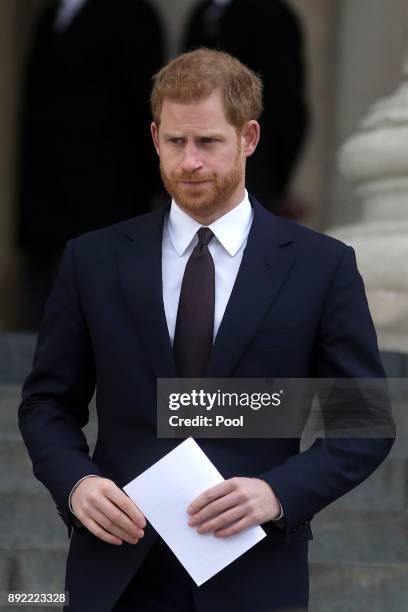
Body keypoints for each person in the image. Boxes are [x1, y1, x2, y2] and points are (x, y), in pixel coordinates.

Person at [19, 49, 393, 611]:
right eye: (175, 142)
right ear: (154, 137)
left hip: (254, 570)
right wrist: (77, 484)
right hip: (118, 568)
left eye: (208, 142)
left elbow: (364, 422)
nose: (190, 161)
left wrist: (277, 493)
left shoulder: (323, 266)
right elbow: (47, 402)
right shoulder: (91, 260)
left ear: (249, 137)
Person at [15, 0, 164, 329]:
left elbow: (144, 109)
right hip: (45, 202)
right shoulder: (50, 15)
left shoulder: (133, 14)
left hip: (103, 201)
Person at [183, 0, 309, 216]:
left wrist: (278, 182)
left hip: (251, 159)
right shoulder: (203, 13)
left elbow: (286, 103)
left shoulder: (271, 14)